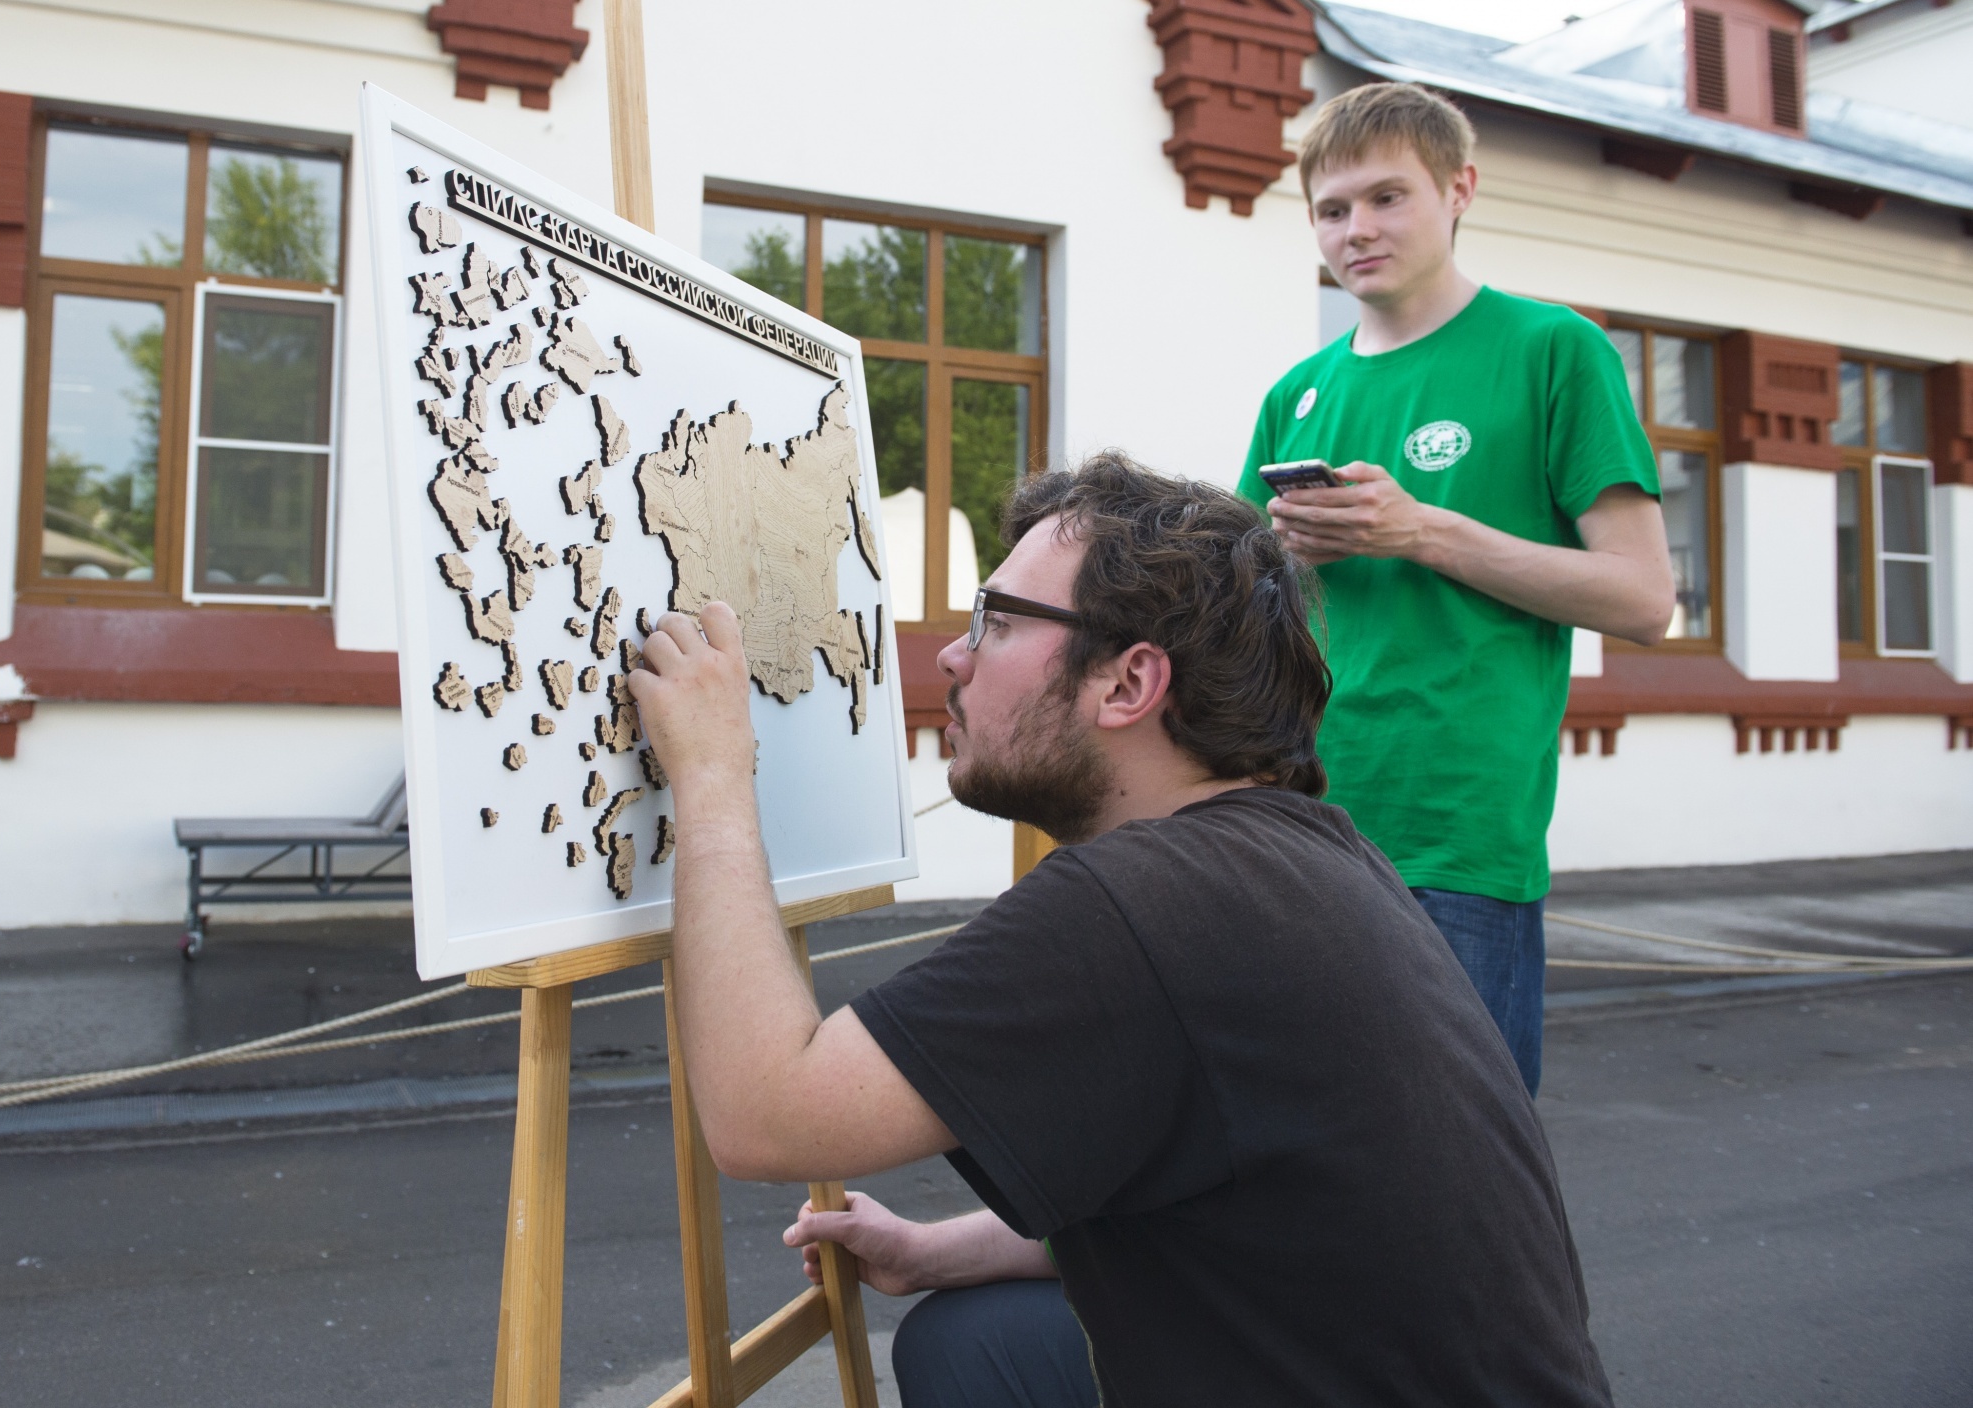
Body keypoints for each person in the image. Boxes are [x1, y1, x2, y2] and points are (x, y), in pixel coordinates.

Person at [629, 454, 1614, 1408]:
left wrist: (712, 774)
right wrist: (938, 1247)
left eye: (999, 620)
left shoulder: (1149, 902)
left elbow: (765, 1114)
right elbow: (1237, 1205)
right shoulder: (1300, 856)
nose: (953, 654)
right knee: (973, 1342)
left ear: (1128, 684)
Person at [1239, 81, 1675, 1095]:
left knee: (1459, 1168)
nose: (1357, 229)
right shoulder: (1295, 394)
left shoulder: (1549, 349)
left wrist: (1419, 530)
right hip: (1292, 819)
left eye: (1388, 197)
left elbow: (1642, 597)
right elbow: (1243, 612)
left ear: (1459, 189)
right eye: (1332, 208)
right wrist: (1282, 553)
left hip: (1455, 835)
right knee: (1295, 1156)